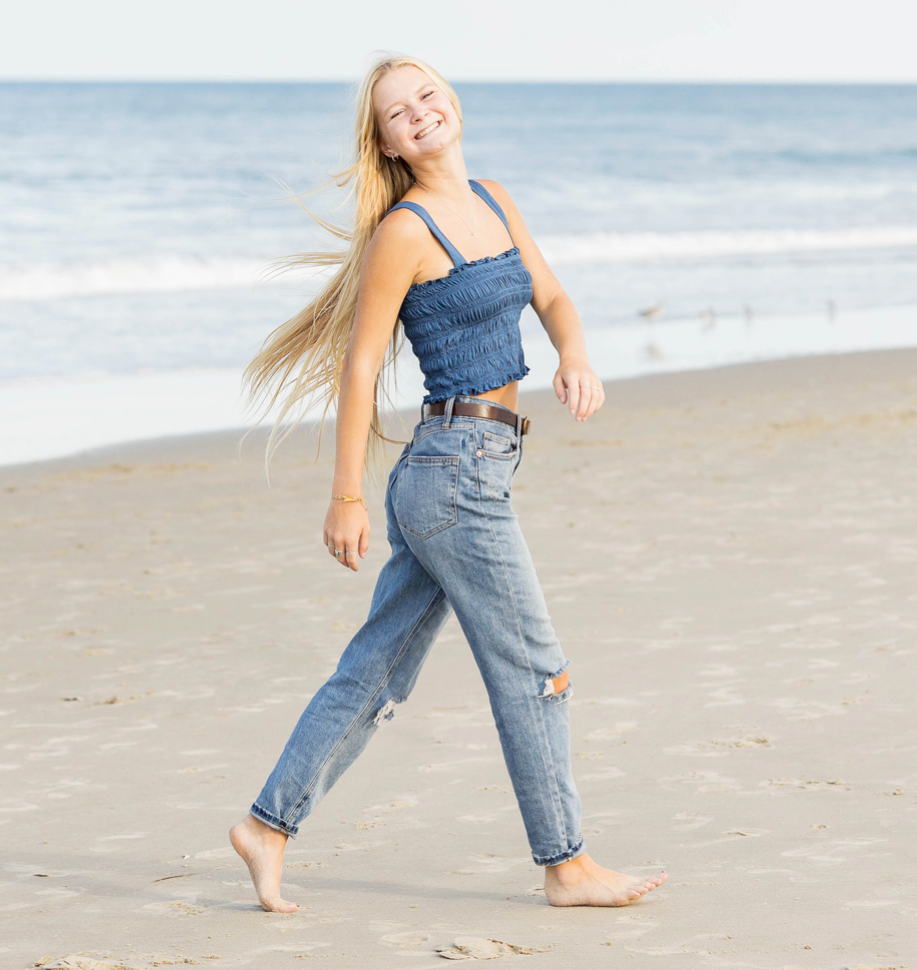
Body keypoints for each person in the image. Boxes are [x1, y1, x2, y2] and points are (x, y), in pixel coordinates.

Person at [229, 55, 666, 911]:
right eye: (398, 112)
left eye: (427, 95)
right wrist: (346, 493)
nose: (419, 112)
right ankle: (566, 864)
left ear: (453, 103)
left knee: (376, 670)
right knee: (536, 668)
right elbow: (361, 365)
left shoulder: (497, 200)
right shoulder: (406, 230)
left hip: (477, 469)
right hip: (451, 475)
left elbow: (553, 296)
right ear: (386, 142)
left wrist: (573, 352)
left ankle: (267, 826)